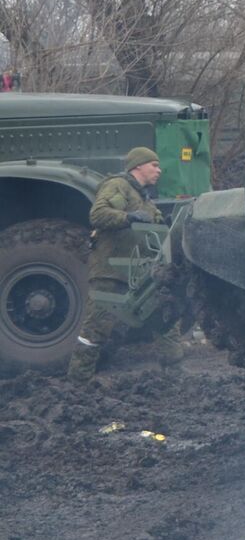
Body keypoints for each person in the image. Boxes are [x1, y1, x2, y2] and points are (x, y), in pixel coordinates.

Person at [67, 147, 178, 382]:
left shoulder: (144, 198)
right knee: (96, 325)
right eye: (154, 165)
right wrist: (128, 217)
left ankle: (174, 376)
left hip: (138, 273)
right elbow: (98, 214)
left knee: (163, 316)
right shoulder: (118, 186)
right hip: (110, 271)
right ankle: (78, 382)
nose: (159, 170)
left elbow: (156, 224)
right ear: (138, 166)